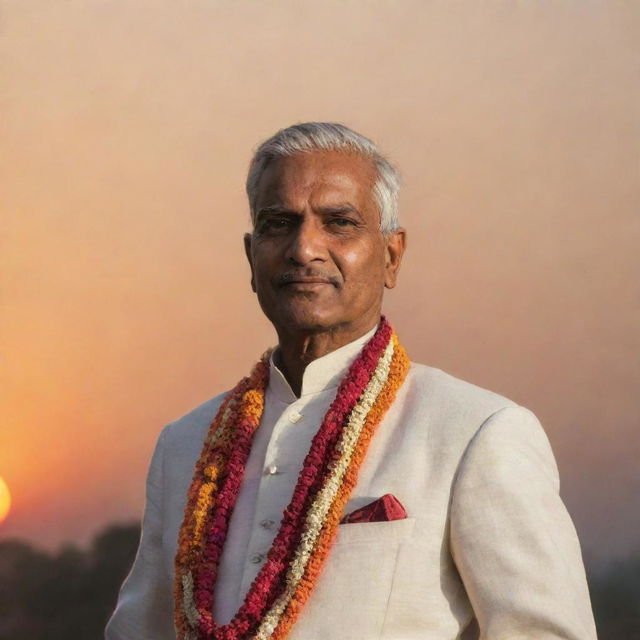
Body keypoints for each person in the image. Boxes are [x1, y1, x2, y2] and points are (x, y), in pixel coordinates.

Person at [105, 122, 597, 640]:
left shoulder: (475, 431)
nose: (304, 249)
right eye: (279, 223)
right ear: (251, 258)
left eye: (339, 223)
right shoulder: (185, 447)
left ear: (391, 255)